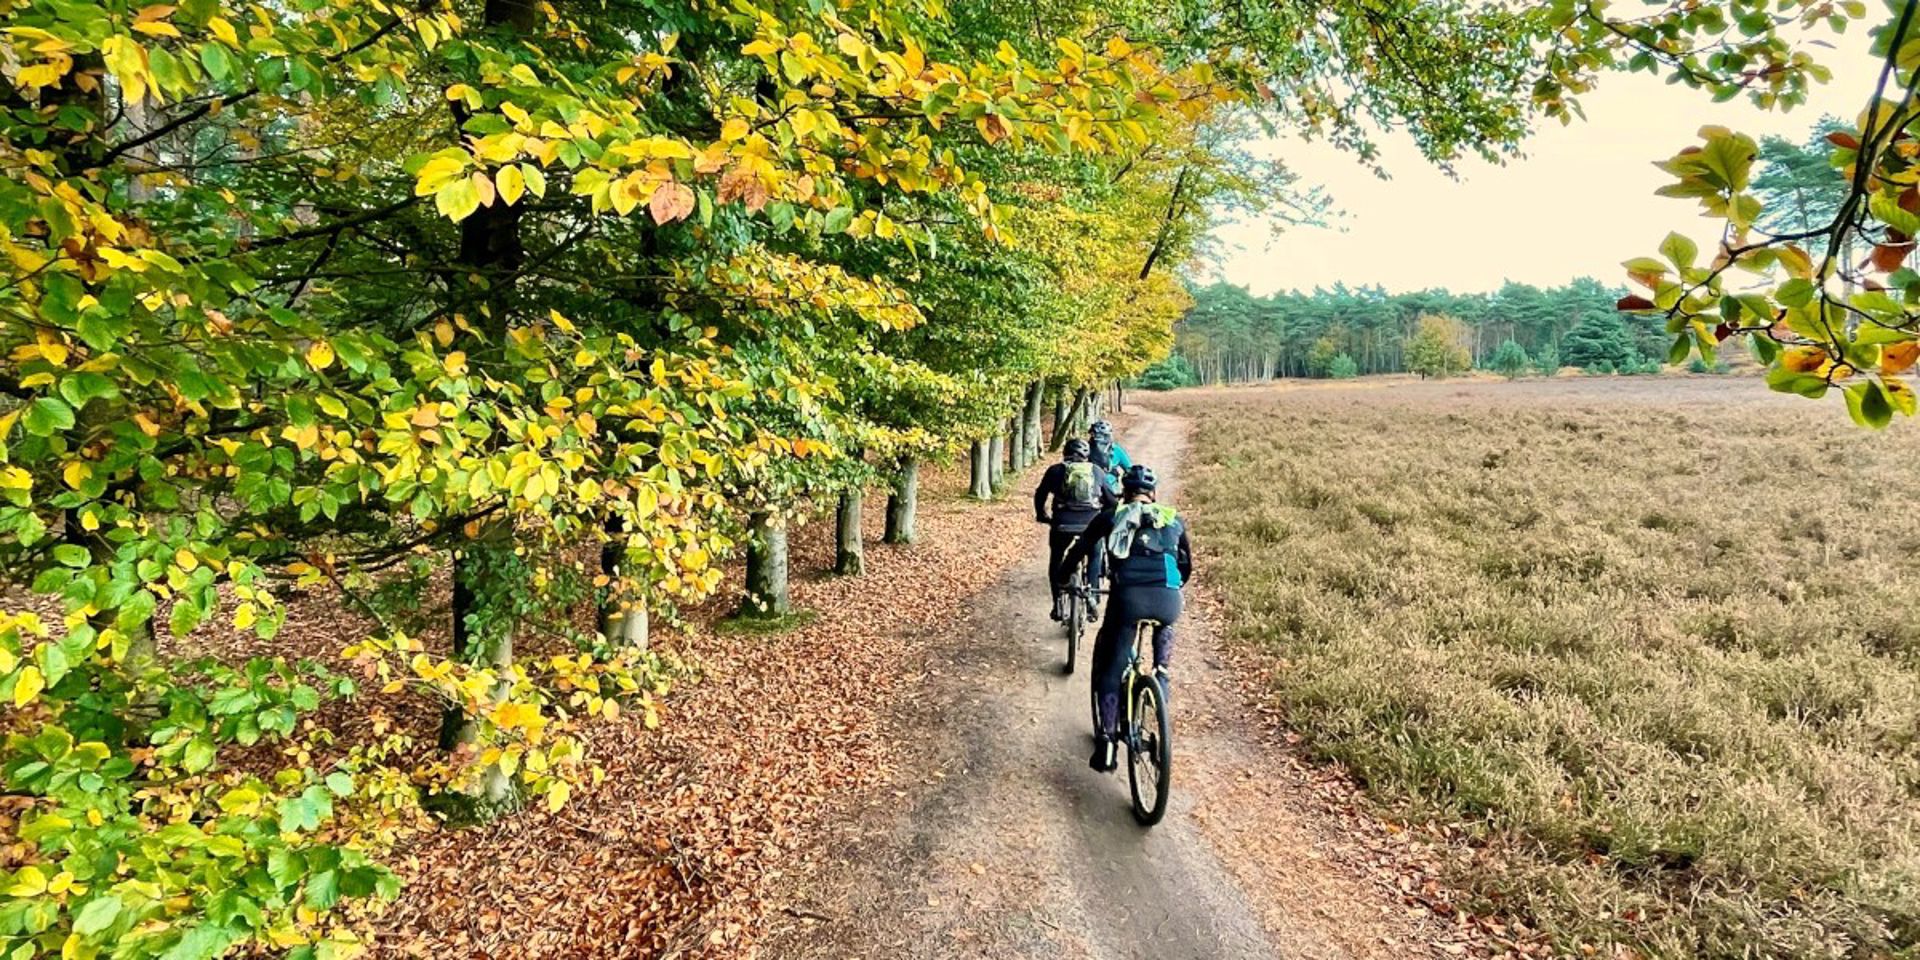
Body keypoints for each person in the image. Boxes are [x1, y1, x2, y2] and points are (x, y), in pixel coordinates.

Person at [1062, 464, 1191, 773]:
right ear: (1153, 493)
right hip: (1169, 600)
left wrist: (1064, 576)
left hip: (1128, 600)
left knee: (1111, 666)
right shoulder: (1173, 519)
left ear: (1124, 492)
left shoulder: (1112, 516)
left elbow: (1081, 549)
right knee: (1162, 657)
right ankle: (1159, 693)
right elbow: (1186, 566)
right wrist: (1170, 587)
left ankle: (1107, 743)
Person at [1034, 439, 1116, 621]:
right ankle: (1092, 599)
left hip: (1062, 524)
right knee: (1095, 555)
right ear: (1087, 456)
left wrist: (1042, 515)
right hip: (1091, 525)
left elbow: (1040, 494)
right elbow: (1112, 502)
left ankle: (1057, 604)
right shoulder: (1096, 471)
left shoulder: (1055, 470)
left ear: (1065, 453)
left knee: (1056, 557)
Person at [1086, 420, 1133, 496]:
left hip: (1089, 491)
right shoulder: (1116, 449)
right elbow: (1129, 469)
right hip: (1111, 490)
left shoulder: (1085, 449)